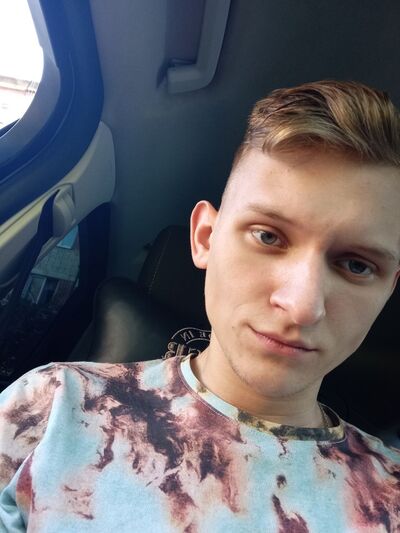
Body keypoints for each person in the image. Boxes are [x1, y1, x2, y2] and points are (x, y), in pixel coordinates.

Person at [1, 80, 399, 532]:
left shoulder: (390, 499)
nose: (301, 306)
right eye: (268, 236)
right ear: (205, 237)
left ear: (388, 290)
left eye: (356, 265)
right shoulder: (52, 408)